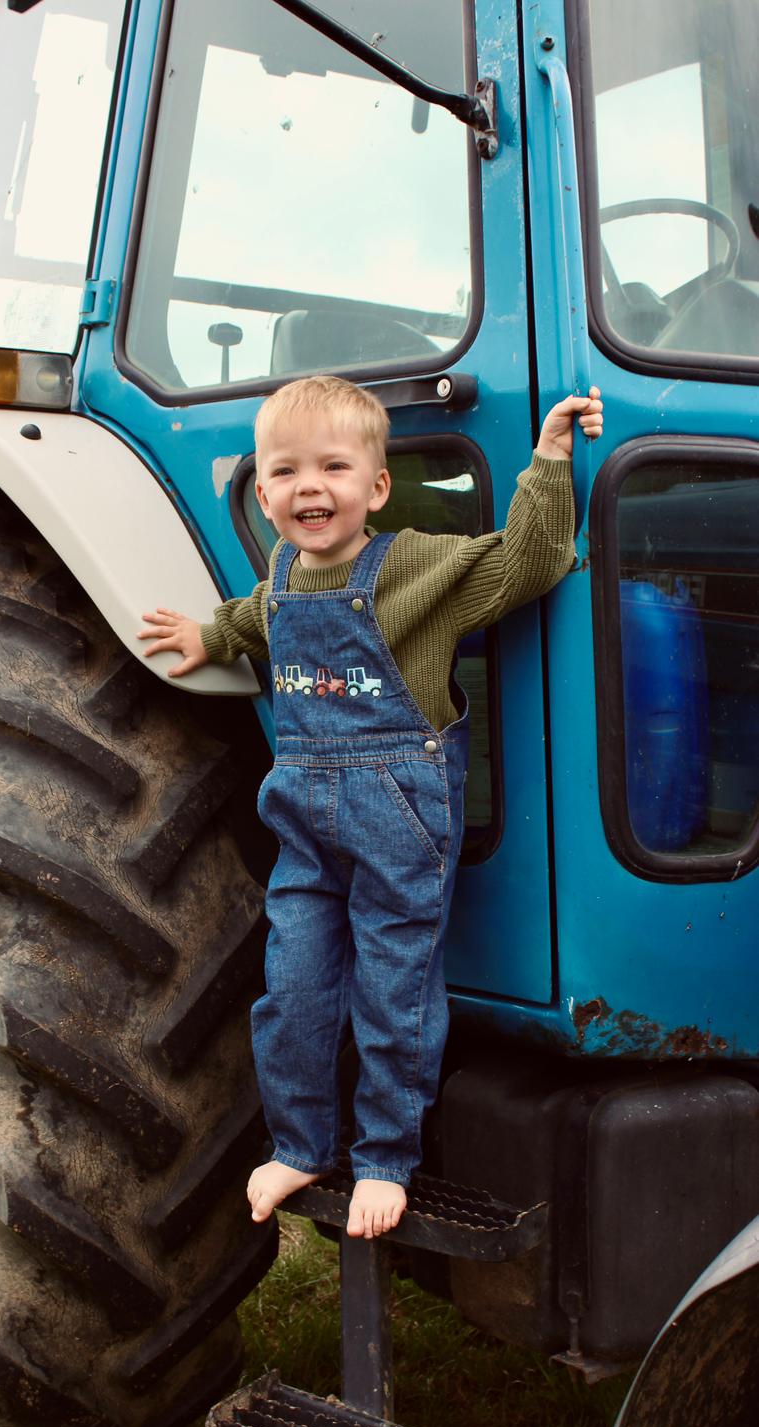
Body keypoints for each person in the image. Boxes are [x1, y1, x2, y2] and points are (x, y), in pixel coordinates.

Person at [139, 375, 603, 1241]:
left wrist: (547, 461)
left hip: (399, 818)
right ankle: (303, 1142)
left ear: (376, 487)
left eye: (333, 467)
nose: (310, 486)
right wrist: (211, 634)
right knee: (293, 990)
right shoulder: (281, 577)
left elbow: (528, 563)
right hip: (305, 829)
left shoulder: (415, 565)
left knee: (395, 991)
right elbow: (259, 618)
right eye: (285, 471)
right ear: (264, 493)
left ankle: (387, 1155)